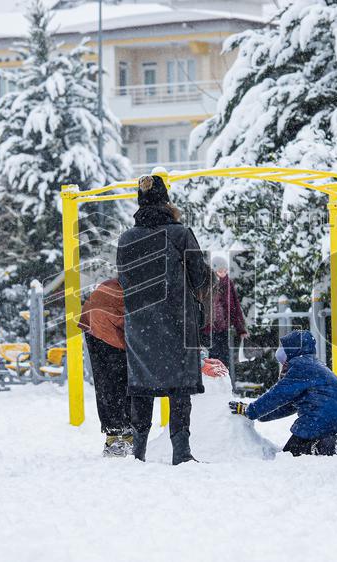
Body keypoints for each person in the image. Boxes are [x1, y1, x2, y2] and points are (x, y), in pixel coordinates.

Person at [115, 173, 215, 465]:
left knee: (142, 385)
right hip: (176, 320)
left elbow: (124, 279)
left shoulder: (126, 239)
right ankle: (181, 451)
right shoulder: (180, 233)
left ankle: (139, 451)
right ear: (166, 200)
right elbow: (199, 277)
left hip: (139, 322)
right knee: (179, 386)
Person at [229, 330, 337, 456]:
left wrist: (250, 410)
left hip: (322, 417)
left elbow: (278, 395)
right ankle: (334, 437)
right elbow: (289, 405)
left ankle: (327, 445)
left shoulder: (301, 366)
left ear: (294, 350)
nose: (281, 355)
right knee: (295, 446)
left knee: (291, 453)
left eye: (285, 350)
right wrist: (262, 415)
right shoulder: (310, 364)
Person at [78, 278, 133, 457]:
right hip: (107, 324)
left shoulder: (129, 278)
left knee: (106, 382)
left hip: (92, 322)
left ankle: (114, 435)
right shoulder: (149, 288)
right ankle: (123, 435)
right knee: (122, 381)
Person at [204, 254, 248, 367]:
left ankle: (224, 380)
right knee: (211, 360)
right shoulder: (206, 283)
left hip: (223, 329)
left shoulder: (228, 284)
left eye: (225, 270)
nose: (223, 272)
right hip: (208, 330)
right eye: (220, 270)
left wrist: (241, 329)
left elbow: (235, 307)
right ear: (213, 270)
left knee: (224, 360)